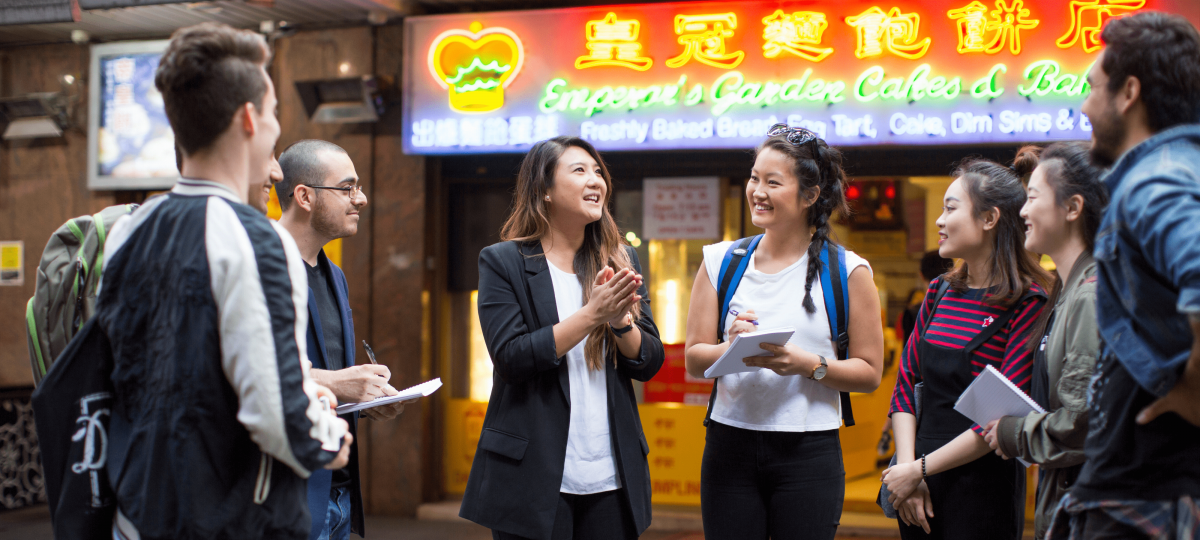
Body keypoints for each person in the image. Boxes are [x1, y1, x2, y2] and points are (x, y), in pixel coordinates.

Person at [96, 23, 350, 540]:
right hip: (232, 519)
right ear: (249, 118)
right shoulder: (259, 239)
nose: (279, 149)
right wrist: (327, 434)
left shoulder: (129, 227)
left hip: (137, 511)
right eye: (275, 112)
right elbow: (275, 414)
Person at [683, 124, 885, 540]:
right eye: (754, 178)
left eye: (773, 182)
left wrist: (807, 365)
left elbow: (869, 373)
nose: (757, 191)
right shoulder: (720, 261)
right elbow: (693, 359)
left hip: (809, 452)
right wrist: (729, 347)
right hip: (729, 445)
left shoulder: (848, 271)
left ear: (810, 195)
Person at [459, 136, 665, 540]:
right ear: (545, 191)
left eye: (597, 171)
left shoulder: (621, 258)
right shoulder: (504, 262)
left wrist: (621, 324)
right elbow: (511, 358)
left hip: (612, 476)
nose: (596, 181)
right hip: (531, 477)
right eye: (579, 170)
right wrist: (593, 315)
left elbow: (650, 362)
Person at [1046, 12, 1200, 539]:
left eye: (1092, 87)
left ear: (1128, 92)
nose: (1085, 105)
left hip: (1148, 493)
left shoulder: (1154, 182)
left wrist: (1194, 389)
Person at [882, 157, 1050, 540]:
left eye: (950, 208)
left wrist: (919, 469)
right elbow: (906, 384)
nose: (939, 221)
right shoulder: (940, 291)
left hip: (981, 482)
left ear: (990, 219)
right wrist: (907, 471)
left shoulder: (1028, 302)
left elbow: (997, 417)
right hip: (917, 482)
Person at [277, 139, 408, 540]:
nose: (362, 199)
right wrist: (337, 382)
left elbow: (326, 376)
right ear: (304, 196)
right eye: (347, 188)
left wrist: (365, 397)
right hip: (287, 488)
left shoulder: (335, 276)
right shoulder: (262, 265)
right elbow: (248, 366)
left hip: (338, 489)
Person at [976, 143, 1106, 540]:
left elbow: (1082, 423)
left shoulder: (1089, 295)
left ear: (1072, 208)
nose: (1023, 211)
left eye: (1033, 197)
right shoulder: (1068, 289)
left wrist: (1013, 432)